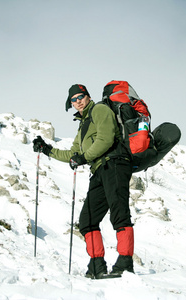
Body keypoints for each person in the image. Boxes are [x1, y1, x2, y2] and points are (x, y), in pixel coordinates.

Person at [32, 84, 134, 279]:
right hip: (99, 169)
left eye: (81, 96)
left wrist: (84, 157)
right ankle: (97, 265)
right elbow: (73, 154)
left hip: (114, 163)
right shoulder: (83, 124)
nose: (78, 101)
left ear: (88, 96)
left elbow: (105, 139)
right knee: (87, 221)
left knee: (119, 212)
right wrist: (47, 149)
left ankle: (125, 262)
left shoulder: (100, 110)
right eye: (74, 99)